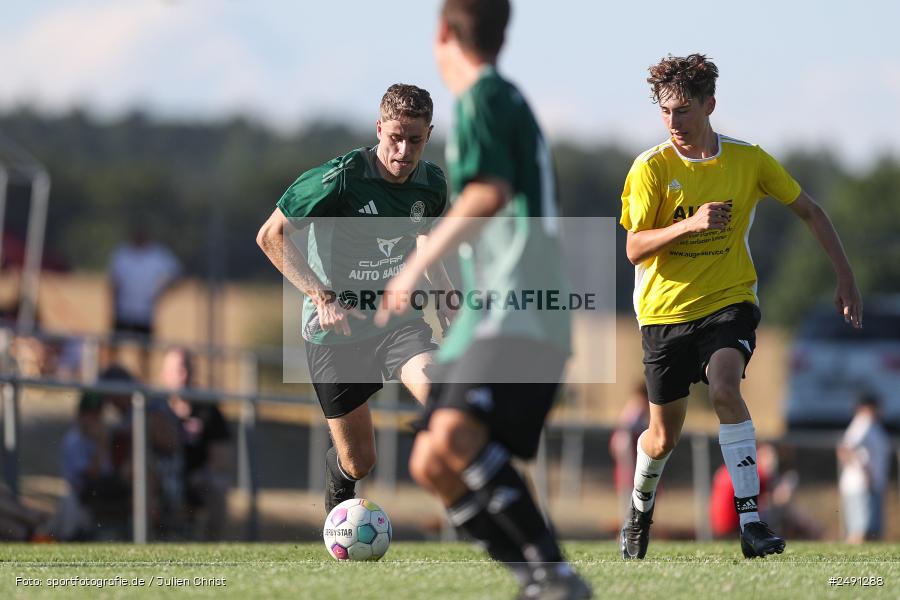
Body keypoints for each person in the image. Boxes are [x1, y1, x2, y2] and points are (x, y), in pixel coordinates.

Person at [376, 1, 590, 597]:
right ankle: (536, 580)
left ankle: (555, 574)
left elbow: (487, 194)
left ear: (443, 31)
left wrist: (414, 265)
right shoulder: (502, 98)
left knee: (451, 443)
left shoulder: (483, 99)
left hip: (521, 307)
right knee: (431, 463)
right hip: (491, 311)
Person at [618, 53, 862, 560]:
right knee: (662, 437)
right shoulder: (651, 168)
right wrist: (690, 224)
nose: (673, 122)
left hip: (729, 302)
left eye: (683, 110)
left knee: (726, 386)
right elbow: (634, 247)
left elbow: (810, 211)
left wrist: (846, 277)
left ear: (710, 105)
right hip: (664, 313)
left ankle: (751, 522)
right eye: (665, 112)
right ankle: (640, 510)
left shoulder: (748, 160)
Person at [256, 84, 452, 513]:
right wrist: (320, 295)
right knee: (359, 461)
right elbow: (270, 236)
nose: (403, 150)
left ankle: (484, 512)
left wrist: (447, 297)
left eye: (414, 140)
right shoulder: (341, 178)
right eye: (394, 137)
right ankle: (340, 496)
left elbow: (426, 240)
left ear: (429, 135)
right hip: (335, 331)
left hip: (395, 320)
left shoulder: (432, 183)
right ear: (378, 128)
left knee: (444, 400)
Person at [161, 346, 231, 540]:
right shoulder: (154, 409)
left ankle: (213, 551)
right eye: (178, 369)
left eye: (187, 368)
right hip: (162, 476)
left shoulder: (207, 409)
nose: (184, 374)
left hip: (197, 478)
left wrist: (201, 474)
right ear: (164, 375)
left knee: (216, 487)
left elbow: (222, 457)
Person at [108, 223, 182, 376]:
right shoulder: (122, 254)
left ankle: (143, 385)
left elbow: (177, 275)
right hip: (123, 312)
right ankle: (110, 379)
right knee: (114, 350)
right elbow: (113, 283)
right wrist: (113, 308)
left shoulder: (158, 254)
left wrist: (161, 294)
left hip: (144, 314)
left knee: (145, 354)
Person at [838, 392, 891, 543]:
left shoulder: (873, 426)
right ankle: (850, 563)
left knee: (873, 532)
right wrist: (862, 471)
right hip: (860, 486)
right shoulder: (863, 423)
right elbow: (845, 448)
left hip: (872, 486)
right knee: (860, 530)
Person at [609, 382, 650, 517]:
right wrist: (628, 466)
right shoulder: (635, 413)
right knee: (631, 502)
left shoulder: (636, 411)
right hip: (631, 467)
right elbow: (621, 442)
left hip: (632, 466)